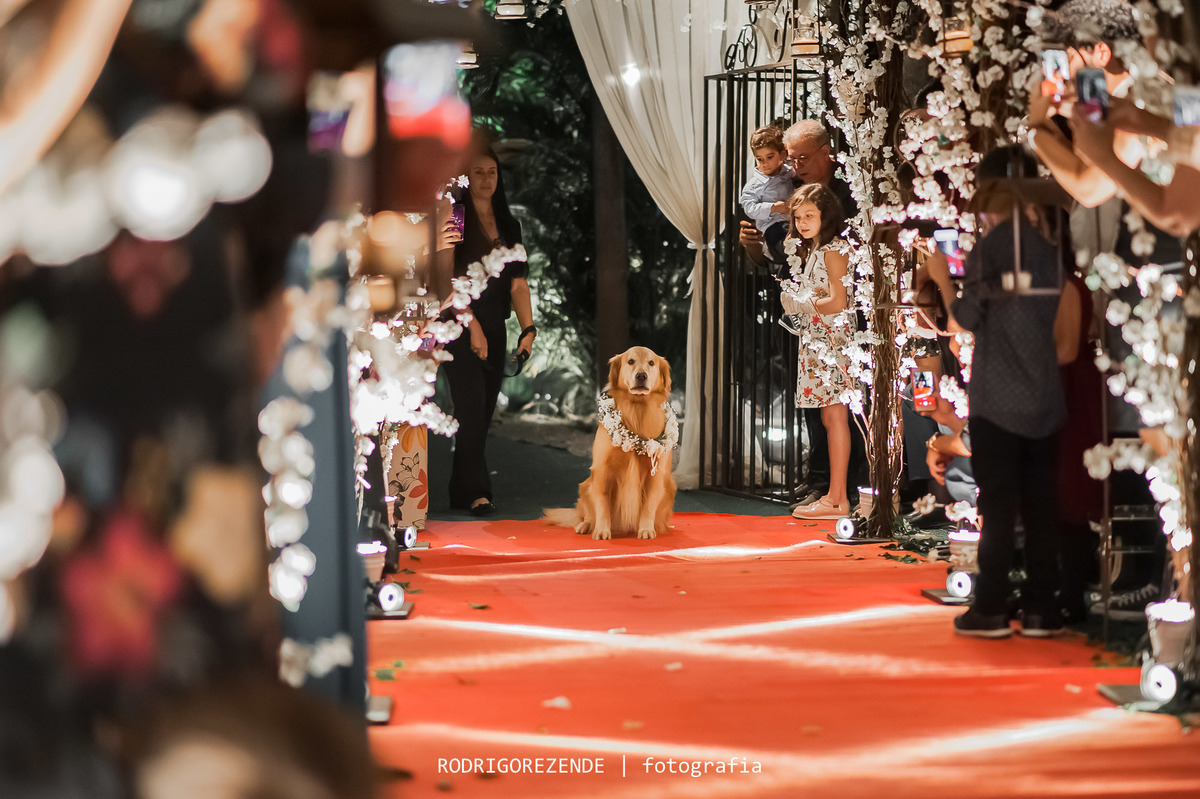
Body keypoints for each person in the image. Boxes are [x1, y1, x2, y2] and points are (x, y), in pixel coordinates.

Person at [927, 147, 1067, 639]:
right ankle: (1041, 608)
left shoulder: (994, 245)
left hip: (998, 395)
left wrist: (945, 282)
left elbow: (964, 321)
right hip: (1045, 392)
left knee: (1000, 505)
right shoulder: (1053, 240)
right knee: (1042, 503)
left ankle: (989, 606)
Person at [441, 147, 537, 516]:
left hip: (496, 323)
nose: (485, 179)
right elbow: (445, 277)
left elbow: (518, 284)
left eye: (492, 172)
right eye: (477, 172)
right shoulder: (455, 218)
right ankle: (478, 492)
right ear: (467, 179)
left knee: (482, 410)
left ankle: (460, 490)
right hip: (457, 320)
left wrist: (528, 329)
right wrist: (472, 326)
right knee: (470, 405)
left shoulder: (510, 224)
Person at [779, 183, 853, 519]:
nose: (803, 221)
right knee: (828, 416)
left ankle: (837, 498)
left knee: (835, 416)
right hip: (816, 341)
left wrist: (801, 304)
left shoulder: (833, 250)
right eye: (798, 216)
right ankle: (834, 497)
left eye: (810, 215)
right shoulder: (814, 250)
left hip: (832, 341)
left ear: (826, 215)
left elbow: (839, 301)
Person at [739, 125, 796, 265]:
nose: (764, 164)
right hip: (772, 225)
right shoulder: (756, 183)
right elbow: (748, 206)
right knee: (785, 247)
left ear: (782, 154)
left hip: (791, 221)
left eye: (769, 157)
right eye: (759, 159)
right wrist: (773, 208)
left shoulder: (789, 172)